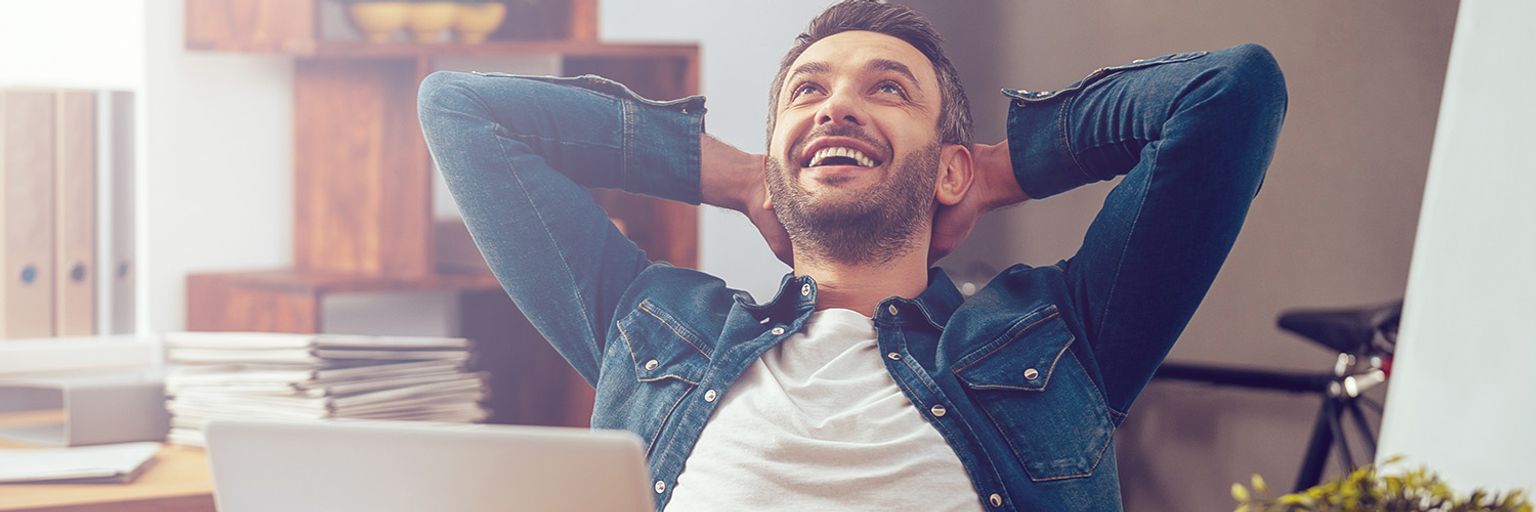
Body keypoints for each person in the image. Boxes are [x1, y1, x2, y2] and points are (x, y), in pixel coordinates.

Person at [417, 1, 1285, 510]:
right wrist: (735, 174)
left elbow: (1229, 93)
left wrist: (994, 171)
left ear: (946, 165)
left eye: (887, 90)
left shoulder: (1061, 340)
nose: (835, 108)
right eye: (808, 92)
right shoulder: (653, 331)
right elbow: (459, 110)